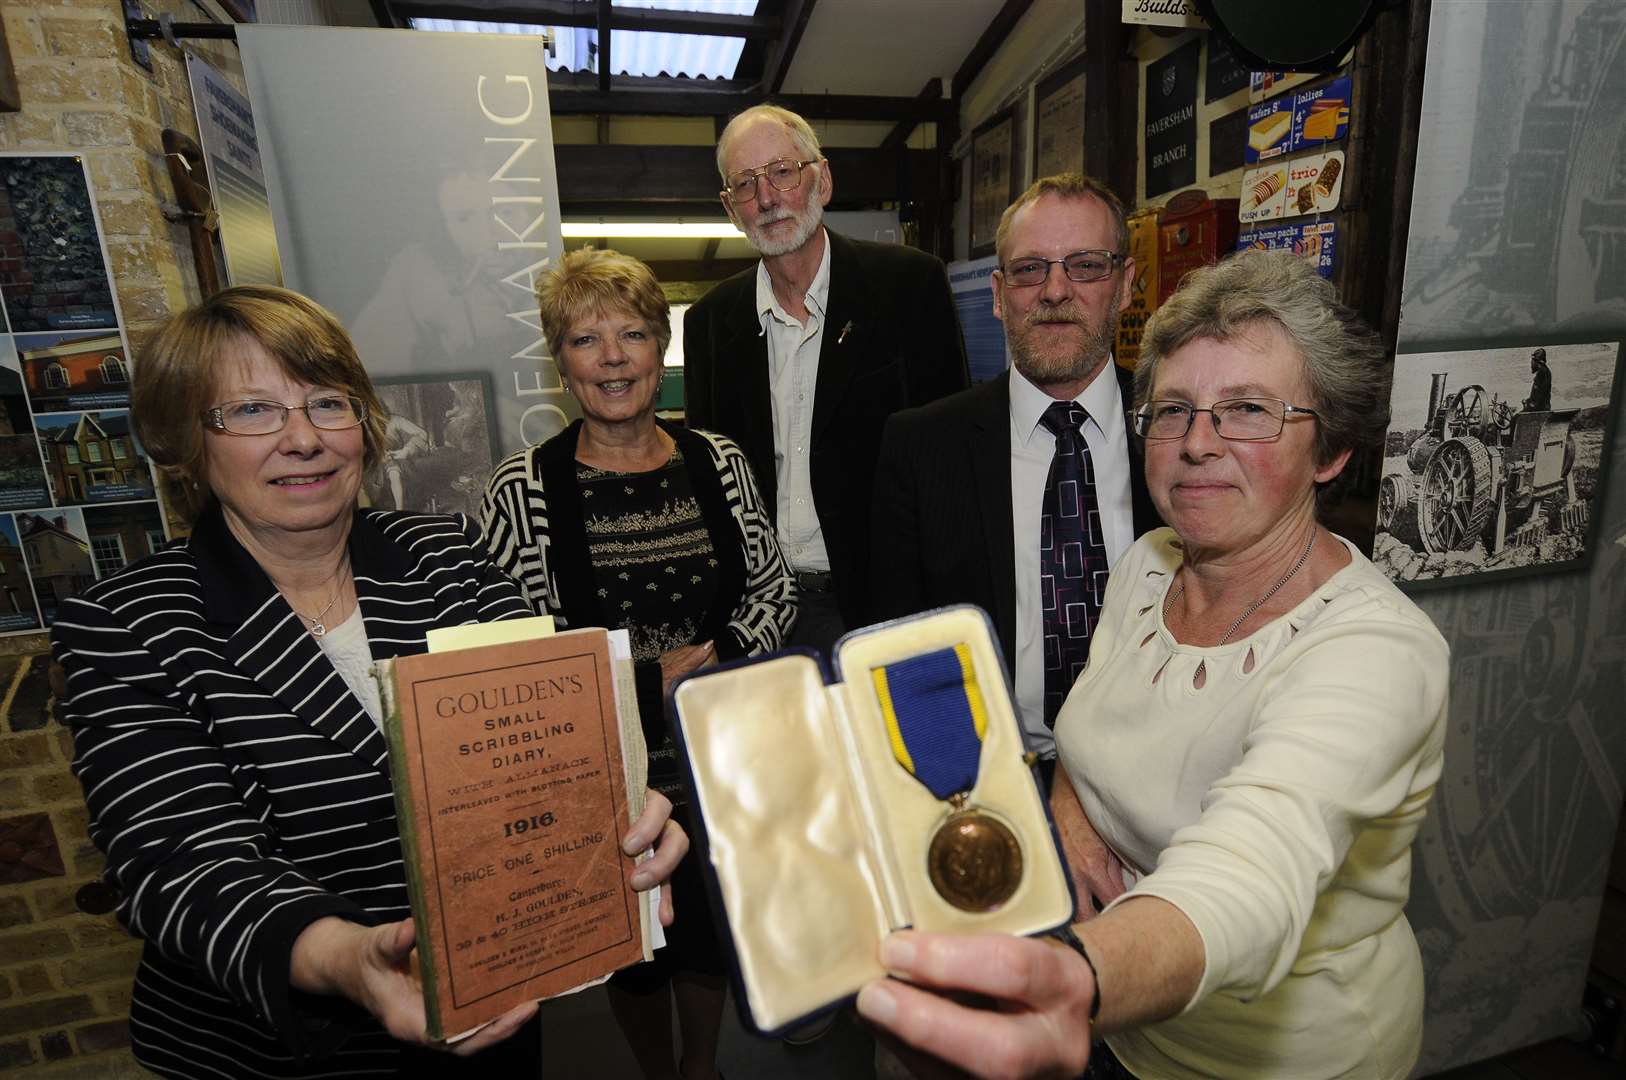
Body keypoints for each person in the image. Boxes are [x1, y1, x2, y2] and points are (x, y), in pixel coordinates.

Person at [52, 285, 688, 1080]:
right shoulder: (130, 622)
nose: (302, 438)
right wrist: (347, 957)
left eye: (327, 403)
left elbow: (557, 737)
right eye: (251, 411)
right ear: (186, 445)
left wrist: (624, 808)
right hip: (280, 1055)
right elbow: (181, 863)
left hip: (493, 1018)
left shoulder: (445, 557)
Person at [856, 249, 1449, 1080]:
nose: (1197, 444)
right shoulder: (1147, 566)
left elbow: (1252, 868)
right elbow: (1091, 723)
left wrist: (1075, 977)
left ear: (1332, 449)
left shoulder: (1376, 654)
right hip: (1119, 1028)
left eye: (1246, 410)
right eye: (1173, 411)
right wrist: (1069, 805)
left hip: (1265, 1055)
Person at [481, 247, 796, 1080]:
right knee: (635, 946)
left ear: (661, 350)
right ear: (562, 363)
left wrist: (723, 654)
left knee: (707, 936)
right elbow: (509, 647)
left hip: (718, 756)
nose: (613, 357)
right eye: (587, 340)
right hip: (603, 771)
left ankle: (699, 1068)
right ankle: (662, 1073)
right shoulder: (522, 490)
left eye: (632, 334)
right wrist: (634, 686)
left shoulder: (718, 463)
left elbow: (773, 587)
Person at [870, 174, 1160, 778]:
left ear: (1127, 284)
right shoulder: (921, 445)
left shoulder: (1180, 432)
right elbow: (899, 644)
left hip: (1157, 775)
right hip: (993, 778)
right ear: (1000, 295)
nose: (1055, 290)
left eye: (1085, 265)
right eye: (1030, 270)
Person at [684, 104, 970, 653]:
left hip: (888, 606)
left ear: (823, 178)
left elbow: (949, 462)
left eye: (783, 172)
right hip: (761, 615)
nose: (767, 198)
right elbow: (711, 483)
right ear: (730, 209)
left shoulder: (909, 287)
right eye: (745, 184)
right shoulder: (709, 324)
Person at [1524, 346, 1552, 412]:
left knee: (1515, 419)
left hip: (1539, 409)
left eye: (1532, 362)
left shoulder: (1542, 373)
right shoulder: (1544, 371)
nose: (1531, 365)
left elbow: (1541, 393)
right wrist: (1528, 401)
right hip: (1540, 407)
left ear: (1537, 362)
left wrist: (1530, 404)